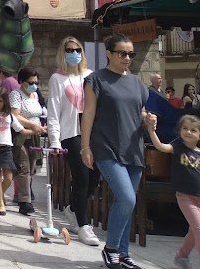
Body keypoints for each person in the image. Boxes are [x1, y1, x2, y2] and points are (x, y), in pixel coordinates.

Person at [82, 34, 149, 269]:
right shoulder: (95, 80)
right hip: (105, 146)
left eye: (131, 53)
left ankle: (123, 253)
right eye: (122, 53)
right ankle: (111, 249)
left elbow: (137, 113)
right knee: (127, 197)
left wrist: (148, 120)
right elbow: (88, 114)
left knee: (126, 202)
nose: (127, 57)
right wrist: (85, 146)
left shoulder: (138, 83)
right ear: (108, 53)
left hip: (133, 148)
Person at [47, 36, 101, 246]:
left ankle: (73, 208)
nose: (74, 53)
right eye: (69, 49)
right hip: (70, 133)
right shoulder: (57, 79)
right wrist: (54, 140)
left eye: (78, 49)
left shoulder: (90, 76)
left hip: (92, 132)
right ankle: (84, 225)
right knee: (82, 177)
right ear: (63, 52)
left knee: (95, 176)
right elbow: (53, 110)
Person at [145, 113, 200, 269]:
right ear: (180, 130)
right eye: (185, 128)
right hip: (185, 197)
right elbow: (161, 146)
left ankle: (181, 256)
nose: (188, 132)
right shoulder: (177, 147)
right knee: (198, 228)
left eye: (193, 130)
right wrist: (151, 131)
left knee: (193, 231)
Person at [8, 67, 46, 216]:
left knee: (32, 167)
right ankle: (25, 201)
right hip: (21, 136)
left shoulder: (35, 95)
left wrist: (39, 128)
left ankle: (25, 195)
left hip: (35, 136)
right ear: (22, 82)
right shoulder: (15, 95)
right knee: (23, 167)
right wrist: (33, 126)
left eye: (36, 82)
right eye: (31, 82)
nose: (34, 85)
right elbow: (15, 115)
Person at [0, 87, 28, 216]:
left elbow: (20, 129)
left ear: (5, 102)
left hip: (6, 148)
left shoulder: (9, 116)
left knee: (8, 177)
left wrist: (38, 130)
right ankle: (1, 203)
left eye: (0, 101)